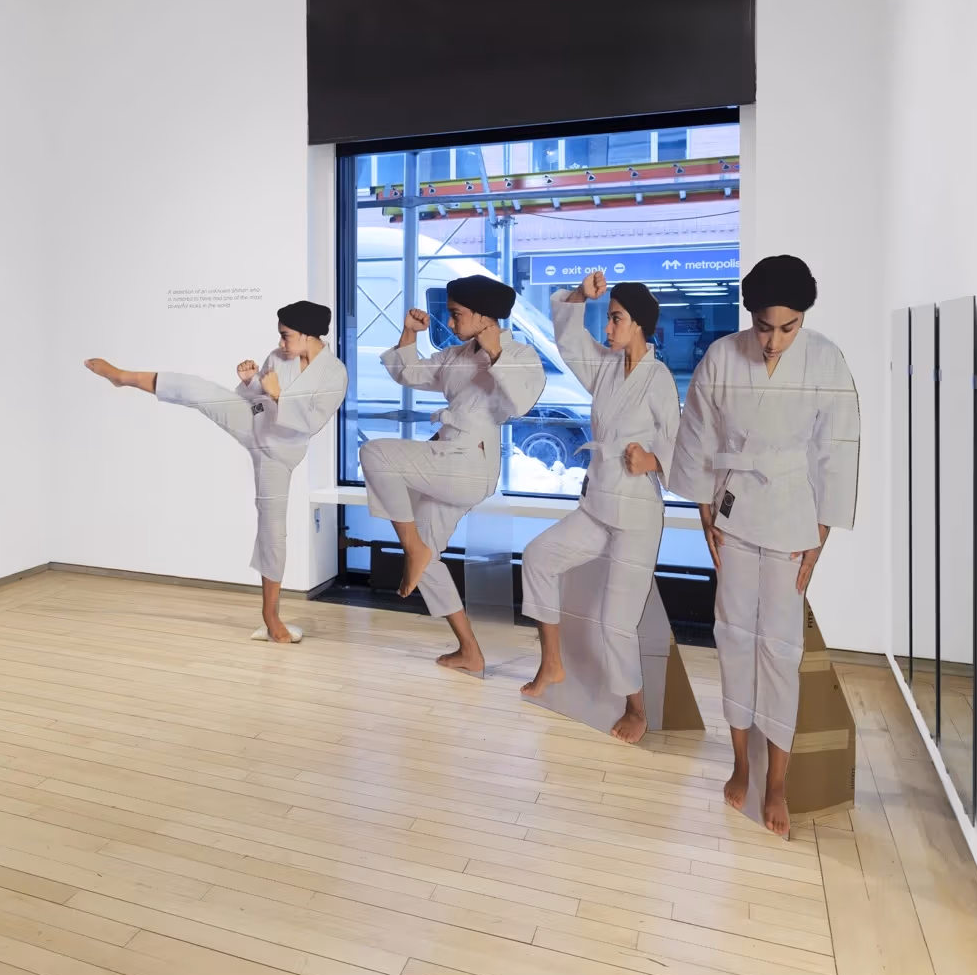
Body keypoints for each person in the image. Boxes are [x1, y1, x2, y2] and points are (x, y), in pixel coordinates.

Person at [669, 255, 860, 838]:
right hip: (733, 510)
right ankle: (739, 762)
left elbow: (839, 445)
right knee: (731, 636)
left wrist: (822, 530)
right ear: (748, 315)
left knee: (779, 647)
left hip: (792, 517)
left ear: (804, 318)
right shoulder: (722, 357)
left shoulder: (826, 360)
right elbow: (698, 430)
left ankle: (776, 780)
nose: (774, 340)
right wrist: (705, 504)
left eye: (788, 327)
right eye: (764, 327)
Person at [85, 301, 346, 643]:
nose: (280, 343)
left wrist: (278, 395)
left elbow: (311, 423)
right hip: (253, 422)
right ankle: (123, 377)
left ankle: (271, 616)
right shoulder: (278, 356)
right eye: (280, 336)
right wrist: (251, 382)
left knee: (273, 531)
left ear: (309, 334)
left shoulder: (334, 374)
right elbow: (257, 400)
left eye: (286, 336)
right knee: (198, 389)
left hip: (279, 454)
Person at [519, 270, 680, 743]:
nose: (607, 329)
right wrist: (578, 298)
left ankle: (637, 708)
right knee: (538, 556)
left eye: (615, 319)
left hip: (636, 518)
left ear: (638, 325)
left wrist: (651, 459)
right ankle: (552, 664)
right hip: (597, 506)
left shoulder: (659, 380)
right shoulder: (607, 368)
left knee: (616, 622)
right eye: (607, 318)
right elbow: (568, 340)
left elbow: (681, 446)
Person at [359, 274, 544, 675]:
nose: (449, 317)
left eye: (457, 312)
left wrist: (497, 357)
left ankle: (412, 547)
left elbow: (522, 404)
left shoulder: (520, 355)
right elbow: (409, 374)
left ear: (484, 317)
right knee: (429, 560)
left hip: (471, 465)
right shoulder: (458, 355)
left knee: (374, 453)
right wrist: (409, 332)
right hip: (448, 459)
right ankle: (469, 651)